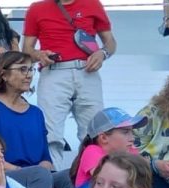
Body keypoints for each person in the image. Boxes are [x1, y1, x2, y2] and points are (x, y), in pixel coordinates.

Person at [0, 51, 76, 188]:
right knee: (39, 174)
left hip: (39, 175)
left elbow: (45, 157)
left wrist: (44, 172)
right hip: (2, 175)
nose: (29, 75)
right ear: (4, 75)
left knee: (72, 176)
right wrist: (27, 171)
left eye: (30, 69)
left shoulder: (36, 113)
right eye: (22, 69)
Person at [23, 0, 116, 165]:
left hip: (87, 70)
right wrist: (39, 55)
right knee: (51, 134)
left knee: (94, 132)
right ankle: (54, 182)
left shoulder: (92, 4)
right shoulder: (36, 9)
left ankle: (92, 183)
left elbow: (110, 42)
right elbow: (27, 49)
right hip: (53, 70)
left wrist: (102, 53)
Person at [69, 107, 146, 188]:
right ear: (104, 138)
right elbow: (112, 178)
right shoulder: (91, 151)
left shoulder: (130, 151)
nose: (132, 138)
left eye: (132, 132)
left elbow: (143, 177)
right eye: (125, 132)